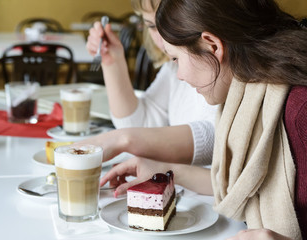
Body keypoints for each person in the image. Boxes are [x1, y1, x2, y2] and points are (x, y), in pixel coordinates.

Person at [98, 0, 307, 239]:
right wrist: (167, 170)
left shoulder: (300, 111)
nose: (180, 75)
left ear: (212, 46)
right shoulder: (246, 98)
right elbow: (238, 186)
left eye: (176, 58)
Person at [85, 0, 217, 165]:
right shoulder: (171, 70)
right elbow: (141, 125)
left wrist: (123, 139)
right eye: (152, 26)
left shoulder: (228, 74)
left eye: (171, 23)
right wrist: (113, 62)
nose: (162, 38)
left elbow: (218, 137)